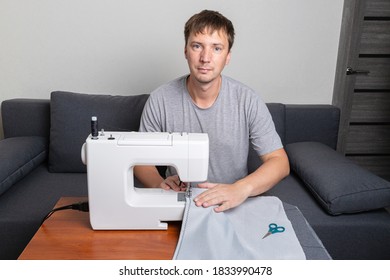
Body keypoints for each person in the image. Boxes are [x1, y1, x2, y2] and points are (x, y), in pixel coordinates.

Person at [134, 9, 289, 213]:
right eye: (197, 46)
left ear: (227, 57)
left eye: (216, 48)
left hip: (233, 202)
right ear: (185, 51)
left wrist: (241, 189)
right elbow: (140, 160)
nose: (205, 58)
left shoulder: (247, 100)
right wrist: (158, 184)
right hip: (182, 203)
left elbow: (279, 162)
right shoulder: (160, 99)